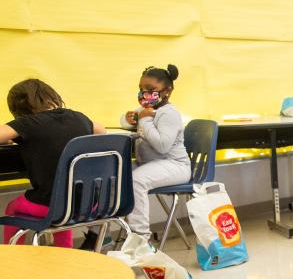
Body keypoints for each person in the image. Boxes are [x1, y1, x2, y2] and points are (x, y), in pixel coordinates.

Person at [1, 79, 105, 246]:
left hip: (52, 207)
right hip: (90, 205)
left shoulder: (27, 123)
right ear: (52, 97)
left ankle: (13, 257)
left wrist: (9, 137)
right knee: (64, 195)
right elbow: (101, 131)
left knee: (13, 207)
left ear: (19, 108)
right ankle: (65, 252)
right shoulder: (79, 117)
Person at [120, 65, 191, 240]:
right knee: (115, 175)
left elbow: (162, 146)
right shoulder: (145, 111)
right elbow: (125, 122)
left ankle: (140, 238)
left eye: (150, 90)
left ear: (167, 91)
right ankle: (103, 231)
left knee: (136, 181)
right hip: (150, 164)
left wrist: (144, 121)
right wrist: (128, 119)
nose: (144, 93)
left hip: (175, 165)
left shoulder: (169, 114)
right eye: (141, 89)